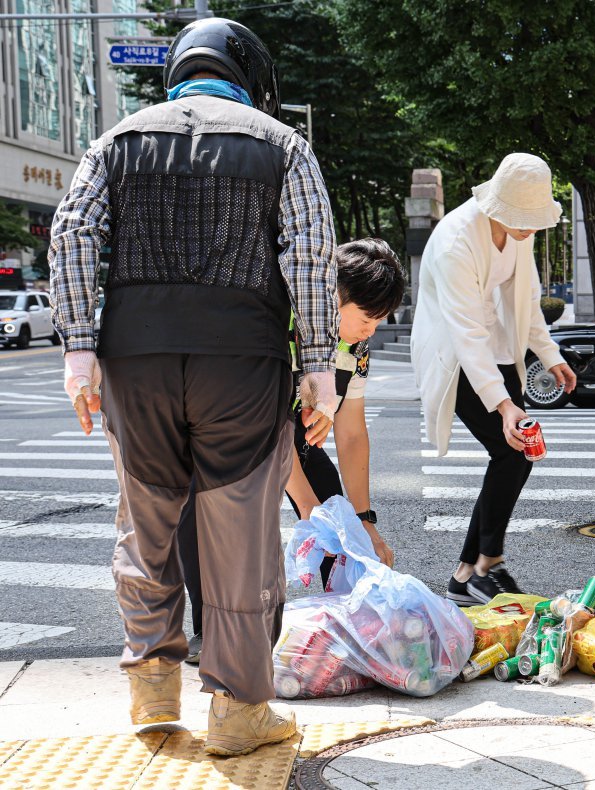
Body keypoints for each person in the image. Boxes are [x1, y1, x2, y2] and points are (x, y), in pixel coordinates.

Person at [48, 17, 340, 757]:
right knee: (239, 538)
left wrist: (78, 349)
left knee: (146, 524)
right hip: (241, 364)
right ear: (248, 74)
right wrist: (319, 368)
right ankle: (239, 710)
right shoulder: (282, 146)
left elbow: (73, 233)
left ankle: (152, 687)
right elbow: (309, 255)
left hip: (134, 363)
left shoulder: (116, 141)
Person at [178, 238, 405, 665]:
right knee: (203, 511)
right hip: (225, 431)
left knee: (335, 514)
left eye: (381, 320)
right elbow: (266, 425)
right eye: (368, 317)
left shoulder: (354, 347)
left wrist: (363, 522)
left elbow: (352, 433)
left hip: (292, 433)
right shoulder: (279, 323)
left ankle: (353, 618)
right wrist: (306, 506)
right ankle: (209, 628)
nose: (372, 329)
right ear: (333, 297)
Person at [412, 152, 576, 605]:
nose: (530, 229)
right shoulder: (455, 242)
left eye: (534, 219)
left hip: (498, 345)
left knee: (515, 455)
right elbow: (465, 332)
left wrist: (549, 354)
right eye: (524, 219)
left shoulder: (518, 234)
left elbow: (527, 297)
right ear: (498, 205)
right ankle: (486, 565)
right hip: (455, 352)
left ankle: (468, 573)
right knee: (510, 450)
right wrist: (504, 405)